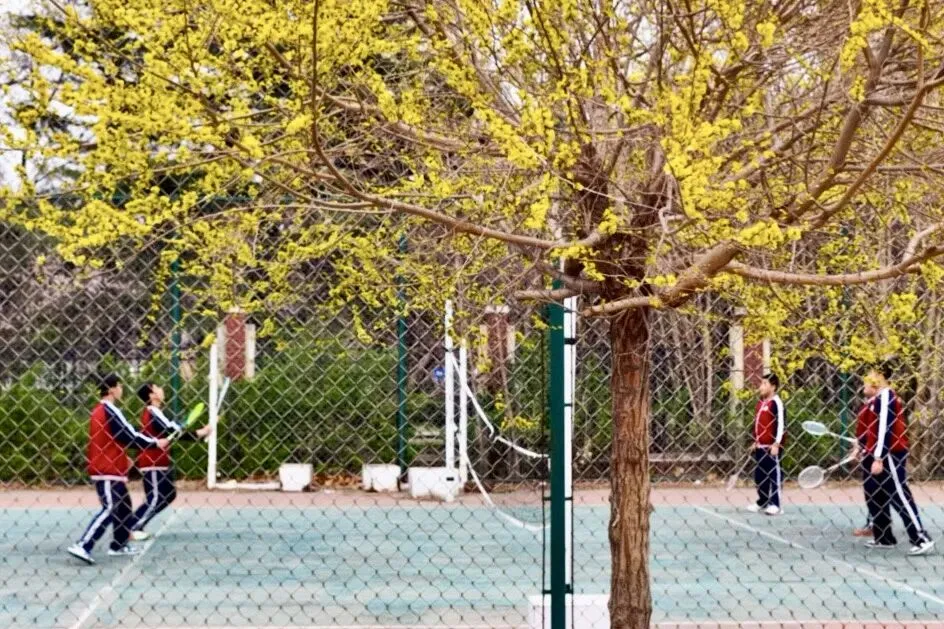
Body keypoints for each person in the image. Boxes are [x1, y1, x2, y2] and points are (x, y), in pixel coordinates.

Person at [67, 374, 169, 564]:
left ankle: (119, 545)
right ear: (112, 389)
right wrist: (155, 443)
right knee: (111, 507)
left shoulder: (101, 411)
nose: (122, 389)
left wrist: (123, 456)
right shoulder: (109, 410)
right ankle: (83, 544)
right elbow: (128, 435)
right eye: (120, 386)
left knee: (124, 506)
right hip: (106, 468)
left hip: (112, 465)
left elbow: (110, 438)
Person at [856, 364, 934, 555]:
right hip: (875, 453)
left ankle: (921, 538)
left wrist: (879, 457)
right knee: (874, 493)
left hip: (889, 454)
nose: (866, 379)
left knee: (898, 494)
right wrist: (863, 447)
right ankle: (884, 537)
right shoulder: (874, 400)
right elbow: (871, 431)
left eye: (870, 374)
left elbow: (884, 429)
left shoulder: (886, 397)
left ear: (880, 376)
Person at [127, 382, 212, 540]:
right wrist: (200, 433)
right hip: (152, 461)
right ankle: (132, 527)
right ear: (152, 395)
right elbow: (171, 430)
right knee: (155, 498)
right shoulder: (152, 411)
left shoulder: (156, 412)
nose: (162, 390)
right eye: (158, 388)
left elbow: (172, 431)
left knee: (169, 494)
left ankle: (134, 524)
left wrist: (198, 433)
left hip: (159, 461)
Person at [747, 373, 785, 516]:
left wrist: (777, 444)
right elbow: (758, 425)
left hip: (772, 448)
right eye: (761, 383)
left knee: (774, 476)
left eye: (764, 384)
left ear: (773, 387)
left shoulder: (776, 403)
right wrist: (756, 441)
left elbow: (781, 425)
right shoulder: (760, 403)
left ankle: (775, 504)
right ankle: (763, 501)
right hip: (760, 447)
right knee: (760, 477)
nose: (761, 387)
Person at [852, 380, 877, 537]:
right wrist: (858, 447)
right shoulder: (867, 405)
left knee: (876, 490)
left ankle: (875, 524)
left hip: (877, 454)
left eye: (868, 383)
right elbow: (862, 431)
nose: (864, 385)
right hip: (869, 452)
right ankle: (875, 523)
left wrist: (863, 446)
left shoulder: (879, 404)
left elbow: (874, 431)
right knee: (870, 489)